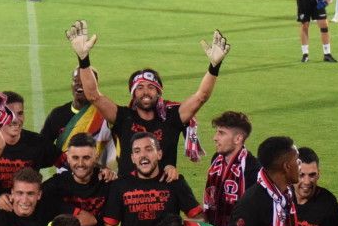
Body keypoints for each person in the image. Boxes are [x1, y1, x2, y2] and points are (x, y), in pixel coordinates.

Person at [67, 20, 229, 178]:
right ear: (132, 93)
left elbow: (201, 97)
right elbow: (93, 96)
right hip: (129, 196)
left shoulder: (172, 117)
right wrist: (83, 59)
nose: (145, 92)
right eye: (140, 88)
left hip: (163, 195)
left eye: (151, 87)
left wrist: (214, 67)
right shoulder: (123, 117)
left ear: (159, 92)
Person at [103, 133, 203, 226]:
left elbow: (198, 218)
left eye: (149, 149)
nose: (143, 155)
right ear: (133, 158)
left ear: (159, 154)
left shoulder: (174, 182)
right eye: (137, 151)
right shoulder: (120, 185)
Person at [0, 91, 60, 201]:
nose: (16, 119)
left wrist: (45, 189)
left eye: (20, 113)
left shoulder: (38, 142)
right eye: (9, 114)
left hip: (27, 206)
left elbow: (67, 164)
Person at [40, 132, 112, 226]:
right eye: (75, 157)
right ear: (68, 158)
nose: (80, 164)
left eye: (86, 157)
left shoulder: (108, 181)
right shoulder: (57, 184)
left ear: (96, 157)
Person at [39, 70, 113, 165]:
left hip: (100, 175)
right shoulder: (57, 114)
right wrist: (61, 160)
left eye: (84, 81)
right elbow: (42, 146)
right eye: (75, 80)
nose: (79, 84)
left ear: (95, 86)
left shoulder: (107, 113)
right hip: (66, 176)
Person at [204, 111, 260, 226]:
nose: (215, 138)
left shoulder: (252, 168)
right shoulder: (216, 159)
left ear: (238, 138)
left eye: (221, 133)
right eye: (216, 132)